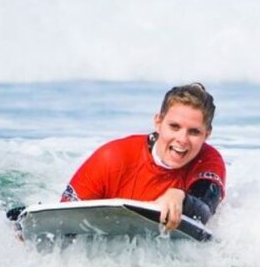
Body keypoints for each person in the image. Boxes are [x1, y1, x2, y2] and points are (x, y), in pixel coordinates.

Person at [60, 82, 226, 231]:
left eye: (194, 132)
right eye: (174, 127)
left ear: (207, 135)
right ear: (158, 122)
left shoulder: (209, 161)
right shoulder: (113, 158)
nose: (182, 140)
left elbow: (205, 210)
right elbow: (61, 221)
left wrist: (181, 197)